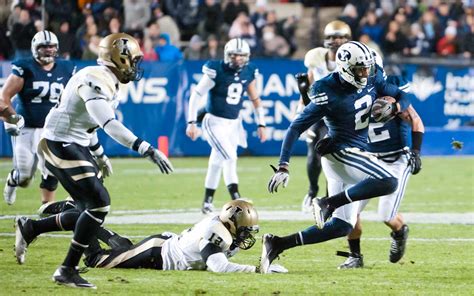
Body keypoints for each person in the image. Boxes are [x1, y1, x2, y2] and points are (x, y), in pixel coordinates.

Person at [31, 33, 174, 289]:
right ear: (120, 58)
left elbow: (90, 125)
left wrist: (99, 155)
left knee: (93, 204)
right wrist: (147, 149)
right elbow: (108, 124)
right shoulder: (96, 79)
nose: (135, 66)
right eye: (133, 60)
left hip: (74, 142)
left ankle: (34, 228)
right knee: (98, 203)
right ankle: (67, 268)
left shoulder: (107, 79)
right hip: (59, 142)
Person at [262, 41, 415, 272]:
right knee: (389, 181)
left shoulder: (373, 76)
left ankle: (277, 243)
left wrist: (394, 108)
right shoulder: (327, 89)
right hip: (340, 151)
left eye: (367, 68)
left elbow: (403, 97)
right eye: (359, 69)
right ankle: (327, 202)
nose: (365, 74)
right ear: (344, 68)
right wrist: (283, 165)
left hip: (347, 155)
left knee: (341, 226)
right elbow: (295, 127)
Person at [15, 199, 286, 273]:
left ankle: (75, 210)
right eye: (244, 229)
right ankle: (73, 215)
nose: (246, 236)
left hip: (161, 245)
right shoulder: (217, 231)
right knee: (95, 259)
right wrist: (255, 270)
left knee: (121, 247)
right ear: (231, 223)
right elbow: (217, 266)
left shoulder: (223, 226)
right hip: (157, 254)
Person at [338, 74, 424, 269]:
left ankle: (400, 231)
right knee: (349, 213)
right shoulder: (349, 93)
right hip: (369, 160)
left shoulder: (390, 88)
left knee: (386, 215)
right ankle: (355, 256)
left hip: (395, 159)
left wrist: (416, 152)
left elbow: (415, 118)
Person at [186, 38, 267, 214]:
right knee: (230, 157)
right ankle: (236, 198)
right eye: (234, 55)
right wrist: (192, 122)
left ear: (247, 57)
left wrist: (262, 123)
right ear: (227, 55)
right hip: (213, 121)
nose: (238, 59)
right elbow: (196, 94)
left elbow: (255, 99)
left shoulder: (249, 71)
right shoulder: (217, 70)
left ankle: (207, 202)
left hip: (233, 124)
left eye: (241, 56)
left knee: (216, 162)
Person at [0, 30, 76, 206]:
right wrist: (11, 118)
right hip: (27, 127)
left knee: (51, 169)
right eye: (44, 47)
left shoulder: (66, 68)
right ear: (35, 48)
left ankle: (47, 208)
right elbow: (4, 98)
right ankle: (13, 180)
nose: (48, 50)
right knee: (25, 176)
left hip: (51, 129)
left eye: (51, 47)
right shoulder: (24, 67)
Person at [298, 20, 351, 213]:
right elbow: (308, 87)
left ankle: (332, 197)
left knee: (337, 158)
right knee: (313, 154)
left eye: (340, 37)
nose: (336, 41)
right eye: (332, 37)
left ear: (347, 39)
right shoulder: (316, 59)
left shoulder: (351, 59)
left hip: (342, 116)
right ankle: (312, 191)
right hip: (319, 114)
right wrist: (301, 112)